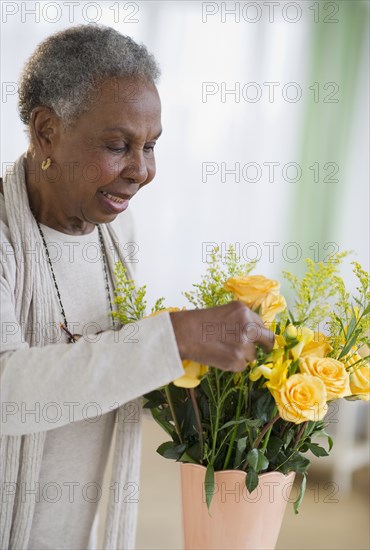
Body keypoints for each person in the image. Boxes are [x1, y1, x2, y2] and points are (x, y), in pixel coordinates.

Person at [0, 25, 273, 550]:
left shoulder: (113, 226)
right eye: (118, 145)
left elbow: (100, 361)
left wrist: (198, 393)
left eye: (150, 146)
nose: (142, 171)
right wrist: (172, 339)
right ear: (45, 131)